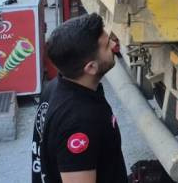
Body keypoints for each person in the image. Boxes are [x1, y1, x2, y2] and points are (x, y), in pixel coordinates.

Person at [31, 13, 126, 183]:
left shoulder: (55, 87)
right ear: (91, 67)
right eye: (106, 45)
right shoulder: (79, 122)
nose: (113, 45)